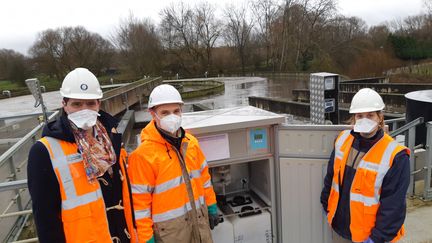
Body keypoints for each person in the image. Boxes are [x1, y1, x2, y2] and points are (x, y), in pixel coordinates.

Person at [27, 67, 136, 242]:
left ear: (99, 104)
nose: (84, 109)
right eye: (77, 104)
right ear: (64, 104)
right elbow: (45, 219)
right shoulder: (43, 151)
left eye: (91, 103)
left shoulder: (112, 139)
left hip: (122, 235)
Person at [128, 84, 219, 243]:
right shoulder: (142, 156)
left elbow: (205, 179)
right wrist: (146, 238)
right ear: (152, 113)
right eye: (165, 113)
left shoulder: (191, 144)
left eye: (176, 111)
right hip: (170, 235)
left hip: (199, 225)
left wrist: (211, 205)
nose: (172, 116)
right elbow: (140, 205)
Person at [320, 88, 410, 243]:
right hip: (339, 227)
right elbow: (331, 177)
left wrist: (376, 239)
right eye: (360, 115)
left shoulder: (396, 156)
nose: (364, 119)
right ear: (354, 117)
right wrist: (326, 204)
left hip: (370, 237)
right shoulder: (342, 140)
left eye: (370, 115)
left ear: (380, 117)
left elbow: (393, 206)